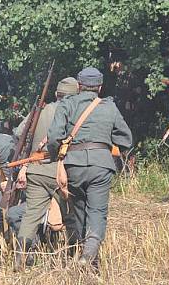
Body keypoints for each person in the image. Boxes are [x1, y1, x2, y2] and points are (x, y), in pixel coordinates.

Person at [47, 67, 132, 267]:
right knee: (97, 210)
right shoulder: (109, 107)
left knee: (78, 209)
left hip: (73, 164)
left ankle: (83, 254)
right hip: (101, 165)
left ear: (79, 86)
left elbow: (53, 138)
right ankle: (89, 254)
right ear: (100, 87)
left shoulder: (67, 104)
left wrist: (55, 157)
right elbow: (126, 139)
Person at [12, 77, 79, 269]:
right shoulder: (74, 111)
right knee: (71, 215)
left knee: (31, 215)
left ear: (57, 94)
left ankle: (20, 257)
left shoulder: (41, 111)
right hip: (62, 172)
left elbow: (19, 132)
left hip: (36, 169)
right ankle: (73, 255)